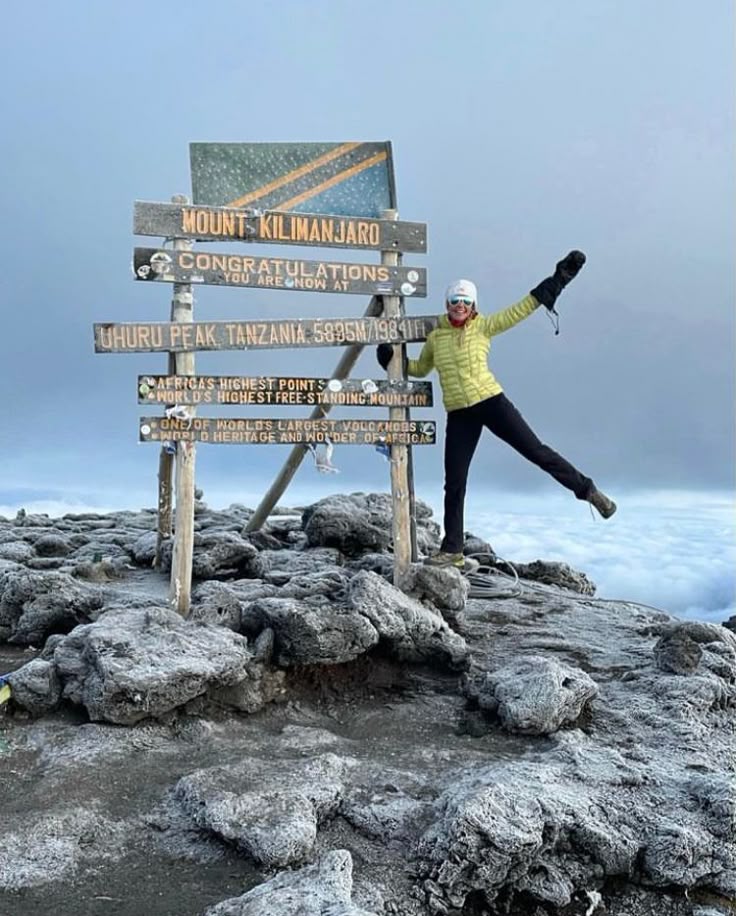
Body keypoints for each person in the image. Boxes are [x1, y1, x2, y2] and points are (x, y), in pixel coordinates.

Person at [376, 251, 616, 568]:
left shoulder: (484, 327)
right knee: (455, 481)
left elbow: (521, 309)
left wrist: (557, 281)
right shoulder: (436, 336)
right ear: (447, 304)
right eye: (455, 301)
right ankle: (453, 550)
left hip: (491, 402)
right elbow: (421, 368)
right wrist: (394, 361)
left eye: (465, 301)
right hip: (459, 413)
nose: (460, 306)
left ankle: (588, 490)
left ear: (473, 305)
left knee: (536, 451)